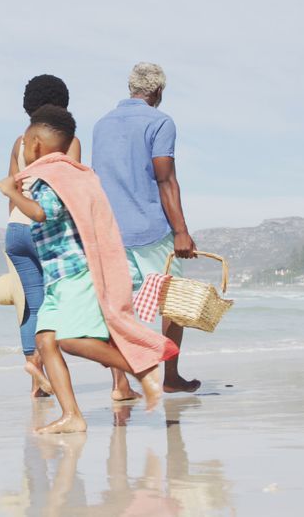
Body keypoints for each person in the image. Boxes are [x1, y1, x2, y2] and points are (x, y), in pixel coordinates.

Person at [0, 105, 175, 434]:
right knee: (46, 341)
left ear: (34, 145)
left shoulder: (52, 179)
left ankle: (142, 367)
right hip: (57, 276)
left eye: (24, 144)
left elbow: (40, 214)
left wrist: (11, 193)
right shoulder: (66, 174)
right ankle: (72, 416)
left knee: (70, 340)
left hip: (74, 275)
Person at [92, 62, 200, 395]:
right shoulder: (160, 122)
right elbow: (165, 178)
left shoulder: (101, 125)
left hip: (109, 230)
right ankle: (170, 376)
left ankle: (121, 383)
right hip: (150, 230)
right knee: (175, 302)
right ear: (157, 92)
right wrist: (181, 230)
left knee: (116, 308)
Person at [4, 74, 82, 397]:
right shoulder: (68, 141)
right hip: (46, 229)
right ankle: (48, 370)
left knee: (29, 306)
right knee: (53, 306)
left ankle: (37, 381)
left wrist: (11, 231)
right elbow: (71, 190)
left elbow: (13, 190)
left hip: (15, 228)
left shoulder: (19, 143)